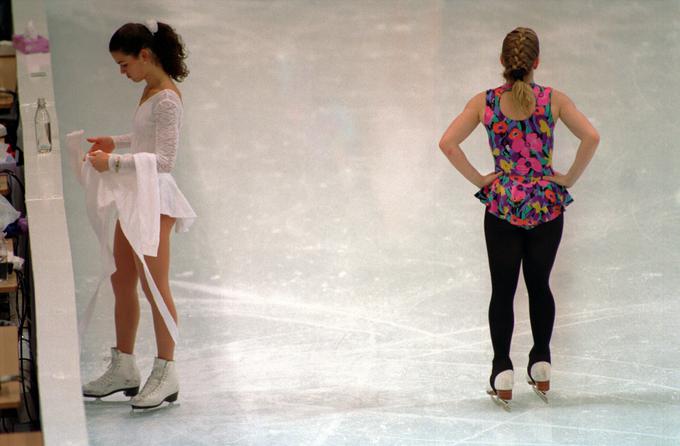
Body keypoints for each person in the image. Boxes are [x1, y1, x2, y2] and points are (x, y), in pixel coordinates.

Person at [438, 27, 599, 406]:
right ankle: (541, 362)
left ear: (502, 63)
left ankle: (502, 369)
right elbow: (591, 136)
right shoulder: (553, 101)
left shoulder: (485, 103)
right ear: (536, 63)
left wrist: (481, 179)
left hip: (503, 205)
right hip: (546, 203)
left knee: (503, 290)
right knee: (540, 285)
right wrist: (568, 179)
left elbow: (447, 143)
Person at [81, 20, 196, 410]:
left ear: (144, 56)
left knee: (154, 286)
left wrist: (112, 162)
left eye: (124, 64)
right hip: (135, 195)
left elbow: (164, 159)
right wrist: (117, 142)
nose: (122, 72)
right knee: (121, 278)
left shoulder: (166, 98)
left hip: (154, 199)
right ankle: (125, 367)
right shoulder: (149, 89)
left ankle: (167, 371)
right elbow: (147, 141)